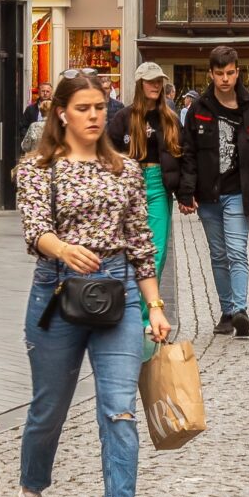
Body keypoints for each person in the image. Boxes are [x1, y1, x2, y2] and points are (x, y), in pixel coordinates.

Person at [14, 74, 172, 497]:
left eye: (100, 108)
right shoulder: (37, 168)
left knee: (118, 408)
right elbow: (35, 229)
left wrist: (155, 307)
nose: (94, 116)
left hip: (117, 296)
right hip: (57, 291)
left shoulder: (126, 170)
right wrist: (63, 248)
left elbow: (141, 243)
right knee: (49, 409)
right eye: (83, 108)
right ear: (61, 112)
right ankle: (30, 492)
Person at [179, 44, 249, 338]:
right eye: (219, 73)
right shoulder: (199, 110)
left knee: (236, 252)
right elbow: (188, 152)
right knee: (218, 255)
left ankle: (240, 309)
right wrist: (187, 191)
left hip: (238, 194)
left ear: (237, 72)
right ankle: (226, 312)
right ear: (211, 74)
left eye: (230, 73)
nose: (225, 79)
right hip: (208, 195)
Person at [108, 61, 189, 334]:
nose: (156, 85)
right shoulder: (123, 117)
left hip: (158, 186)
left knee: (157, 252)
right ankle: (132, 310)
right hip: (130, 185)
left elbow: (184, 155)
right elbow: (108, 152)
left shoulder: (170, 118)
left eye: (160, 81)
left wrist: (185, 192)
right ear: (140, 83)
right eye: (151, 81)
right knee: (129, 250)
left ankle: (146, 315)